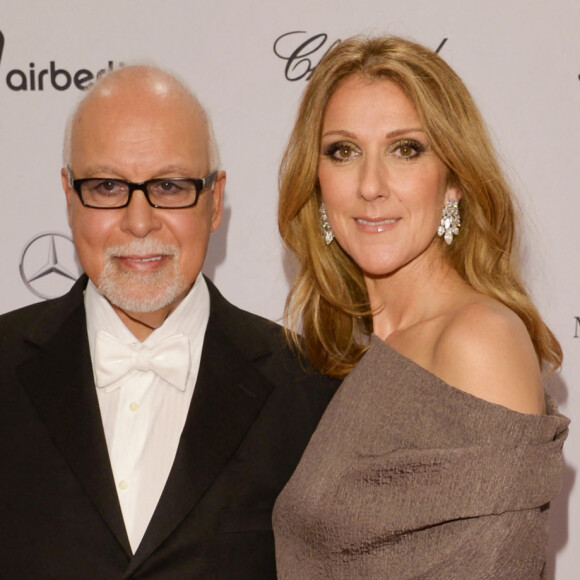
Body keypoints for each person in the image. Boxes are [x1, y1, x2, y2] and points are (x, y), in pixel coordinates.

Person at [0, 65, 338, 579]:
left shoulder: (311, 392)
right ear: (69, 198)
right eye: (109, 186)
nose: (139, 221)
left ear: (215, 201)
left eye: (170, 185)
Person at [273, 35, 569, 578]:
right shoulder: (363, 351)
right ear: (317, 183)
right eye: (343, 151)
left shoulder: (478, 340)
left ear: (453, 180)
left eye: (405, 149)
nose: (370, 186)